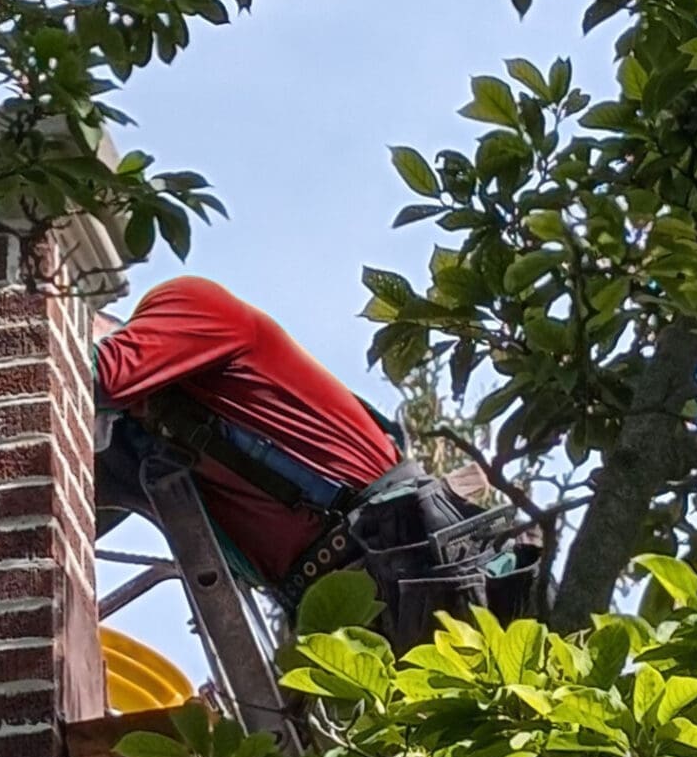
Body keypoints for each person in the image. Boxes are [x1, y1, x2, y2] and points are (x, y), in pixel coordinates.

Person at [93, 275, 540, 655]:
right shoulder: (134, 439)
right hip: (334, 607)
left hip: (399, 556)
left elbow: (97, 374)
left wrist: (38, 330)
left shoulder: (189, 303)